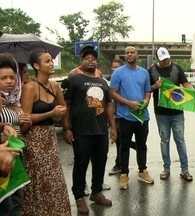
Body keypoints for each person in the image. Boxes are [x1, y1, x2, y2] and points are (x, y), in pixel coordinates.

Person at [63, 46, 115, 214]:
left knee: (100, 163)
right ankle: (79, 197)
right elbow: (66, 105)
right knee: (81, 164)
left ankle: (96, 192)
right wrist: (67, 128)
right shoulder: (74, 79)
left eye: (94, 58)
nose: (91, 60)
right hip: (81, 131)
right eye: (87, 58)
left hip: (100, 131)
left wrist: (113, 127)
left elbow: (108, 105)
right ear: (81, 61)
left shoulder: (102, 82)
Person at [21, 51, 71, 216]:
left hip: (50, 139)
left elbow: (63, 109)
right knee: (39, 181)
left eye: (52, 60)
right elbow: (26, 120)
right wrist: (50, 114)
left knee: (55, 180)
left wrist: (64, 124)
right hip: (34, 140)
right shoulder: (30, 87)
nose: (51, 63)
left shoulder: (55, 86)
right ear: (36, 66)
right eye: (47, 61)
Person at [110, 46, 154, 190]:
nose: (129, 54)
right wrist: (128, 103)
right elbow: (113, 93)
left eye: (132, 52)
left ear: (137, 55)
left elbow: (148, 91)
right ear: (125, 55)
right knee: (124, 147)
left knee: (142, 145)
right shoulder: (118, 73)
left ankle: (142, 171)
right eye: (127, 52)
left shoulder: (144, 73)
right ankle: (124, 174)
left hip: (142, 117)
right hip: (124, 117)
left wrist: (146, 101)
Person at [148, 47, 193, 181]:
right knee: (164, 140)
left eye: (167, 58)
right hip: (161, 113)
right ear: (157, 59)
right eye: (162, 59)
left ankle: (185, 170)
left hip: (177, 112)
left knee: (180, 140)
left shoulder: (177, 68)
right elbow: (146, 89)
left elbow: (186, 84)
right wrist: (155, 86)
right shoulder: (151, 71)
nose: (165, 61)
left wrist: (193, 94)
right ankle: (166, 169)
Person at [0, 53, 30, 216]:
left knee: (16, 199)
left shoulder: (14, 100)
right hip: (3, 157)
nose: (9, 81)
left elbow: (20, 129)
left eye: (12, 77)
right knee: (7, 203)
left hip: (15, 153)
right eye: (3, 78)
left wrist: (25, 120)